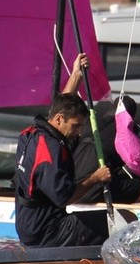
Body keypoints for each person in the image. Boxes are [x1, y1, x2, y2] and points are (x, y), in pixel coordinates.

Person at [13, 92, 112, 247]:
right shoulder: (52, 150)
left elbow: (60, 104)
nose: (79, 132)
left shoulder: (29, 135)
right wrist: (96, 178)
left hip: (26, 229)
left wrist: (76, 74)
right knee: (124, 219)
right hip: (47, 233)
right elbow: (65, 198)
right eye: (76, 126)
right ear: (59, 119)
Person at [63, 54, 140, 204]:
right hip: (95, 188)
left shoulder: (87, 125)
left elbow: (63, 106)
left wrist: (76, 74)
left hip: (72, 189)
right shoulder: (127, 134)